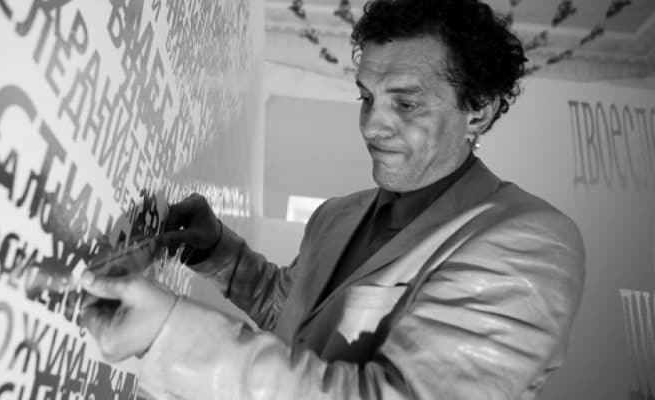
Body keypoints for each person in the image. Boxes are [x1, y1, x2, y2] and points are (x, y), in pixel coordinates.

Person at [78, 0, 586, 398]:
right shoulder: (337, 214)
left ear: (478, 111)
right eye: (366, 97)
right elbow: (292, 315)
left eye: (406, 103)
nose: (372, 125)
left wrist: (168, 333)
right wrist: (219, 253)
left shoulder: (529, 240)